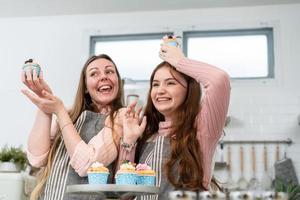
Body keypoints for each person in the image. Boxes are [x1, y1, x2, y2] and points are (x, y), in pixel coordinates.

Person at [122, 39, 231, 198]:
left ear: (189, 90)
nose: (160, 91)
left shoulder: (201, 131)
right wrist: (129, 143)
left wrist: (180, 61)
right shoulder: (147, 135)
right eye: (155, 84)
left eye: (170, 83)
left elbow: (219, 80)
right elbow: (127, 190)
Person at [21, 54, 134, 200]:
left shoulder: (122, 117)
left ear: (117, 82)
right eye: (94, 73)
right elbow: (37, 158)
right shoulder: (70, 114)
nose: (104, 76)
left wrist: (59, 111)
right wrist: (44, 99)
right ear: (86, 87)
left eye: (109, 71)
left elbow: (88, 164)